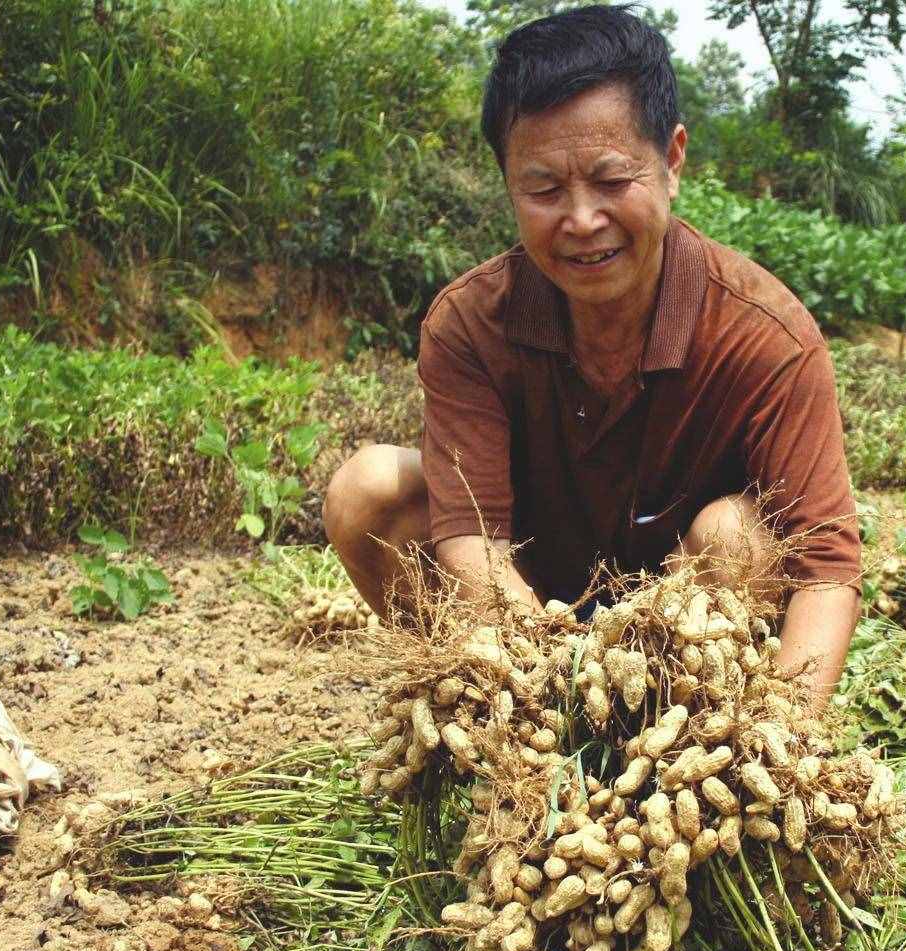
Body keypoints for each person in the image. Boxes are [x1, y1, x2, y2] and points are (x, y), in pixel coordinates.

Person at [322, 4, 861, 706]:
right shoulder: (470, 325)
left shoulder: (765, 335)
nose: (581, 221)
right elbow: (471, 543)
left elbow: (825, 568)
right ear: (508, 181)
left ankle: (695, 722)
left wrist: (787, 743)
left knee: (738, 535)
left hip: (688, 636)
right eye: (543, 189)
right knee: (368, 489)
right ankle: (490, 717)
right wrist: (556, 694)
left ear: (672, 161)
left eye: (611, 181)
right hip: (527, 618)